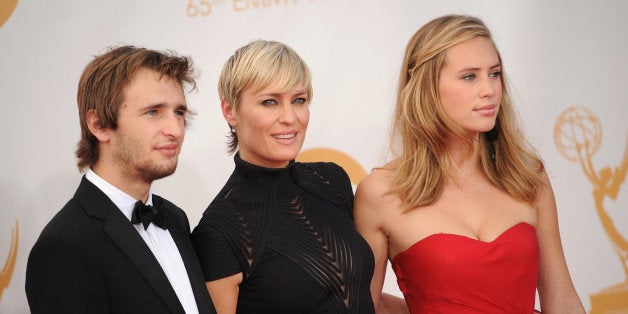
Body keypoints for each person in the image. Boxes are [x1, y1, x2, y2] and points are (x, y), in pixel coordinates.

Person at [354, 15, 585, 314]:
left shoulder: (527, 177)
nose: (489, 89)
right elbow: (364, 308)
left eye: (495, 73)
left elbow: (562, 300)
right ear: (426, 87)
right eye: (469, 76)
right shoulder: (381, 192)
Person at [25, 45, 216, 314]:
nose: (175, 130)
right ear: (100, 124)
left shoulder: (174, 218)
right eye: (153, 112)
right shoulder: (65, 246)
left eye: (179, 113)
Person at [191, 39, 375, 314]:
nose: (290, 117)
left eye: (298, 100)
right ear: (230, 111)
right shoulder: (219, 231)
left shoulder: (331, 180)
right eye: (270, 102)